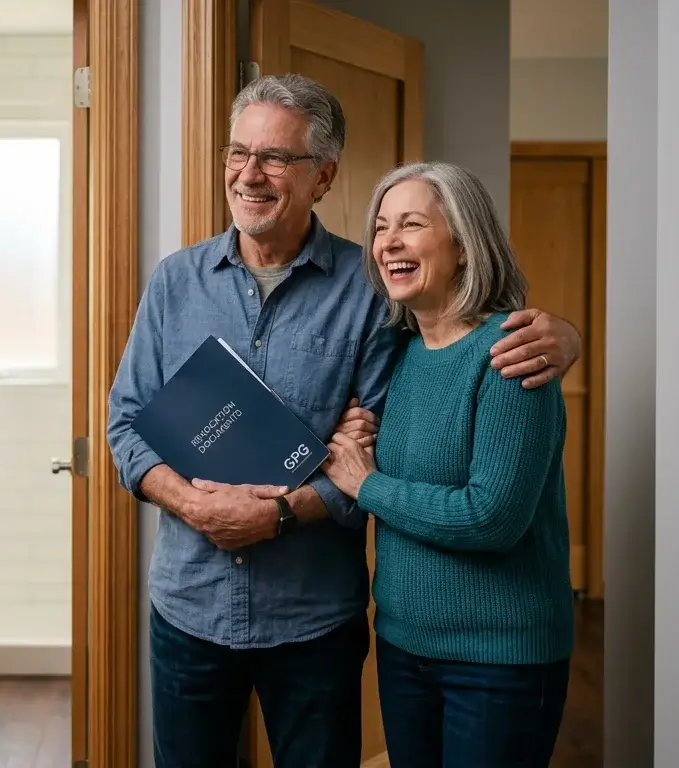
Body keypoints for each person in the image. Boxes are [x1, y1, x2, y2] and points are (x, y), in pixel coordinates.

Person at [106, 73, 580, 768]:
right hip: (189, 608)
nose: (250, 173)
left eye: (276, 157)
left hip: (314, 622)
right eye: (238, 153)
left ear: (323, 176)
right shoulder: (175, 282)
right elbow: (125, 423)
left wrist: (280, 514)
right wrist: (192, 503)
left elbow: (381, 451)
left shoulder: (371, 292)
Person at [322, 160, 575, 767]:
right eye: (381, 226)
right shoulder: (401, 356)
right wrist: (359, 441)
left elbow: (490, 518)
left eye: (411, 223)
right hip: (404, 647)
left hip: (500, 660)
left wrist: (367, 483)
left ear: (463, 244)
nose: (389, 242)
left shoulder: (513, 357)